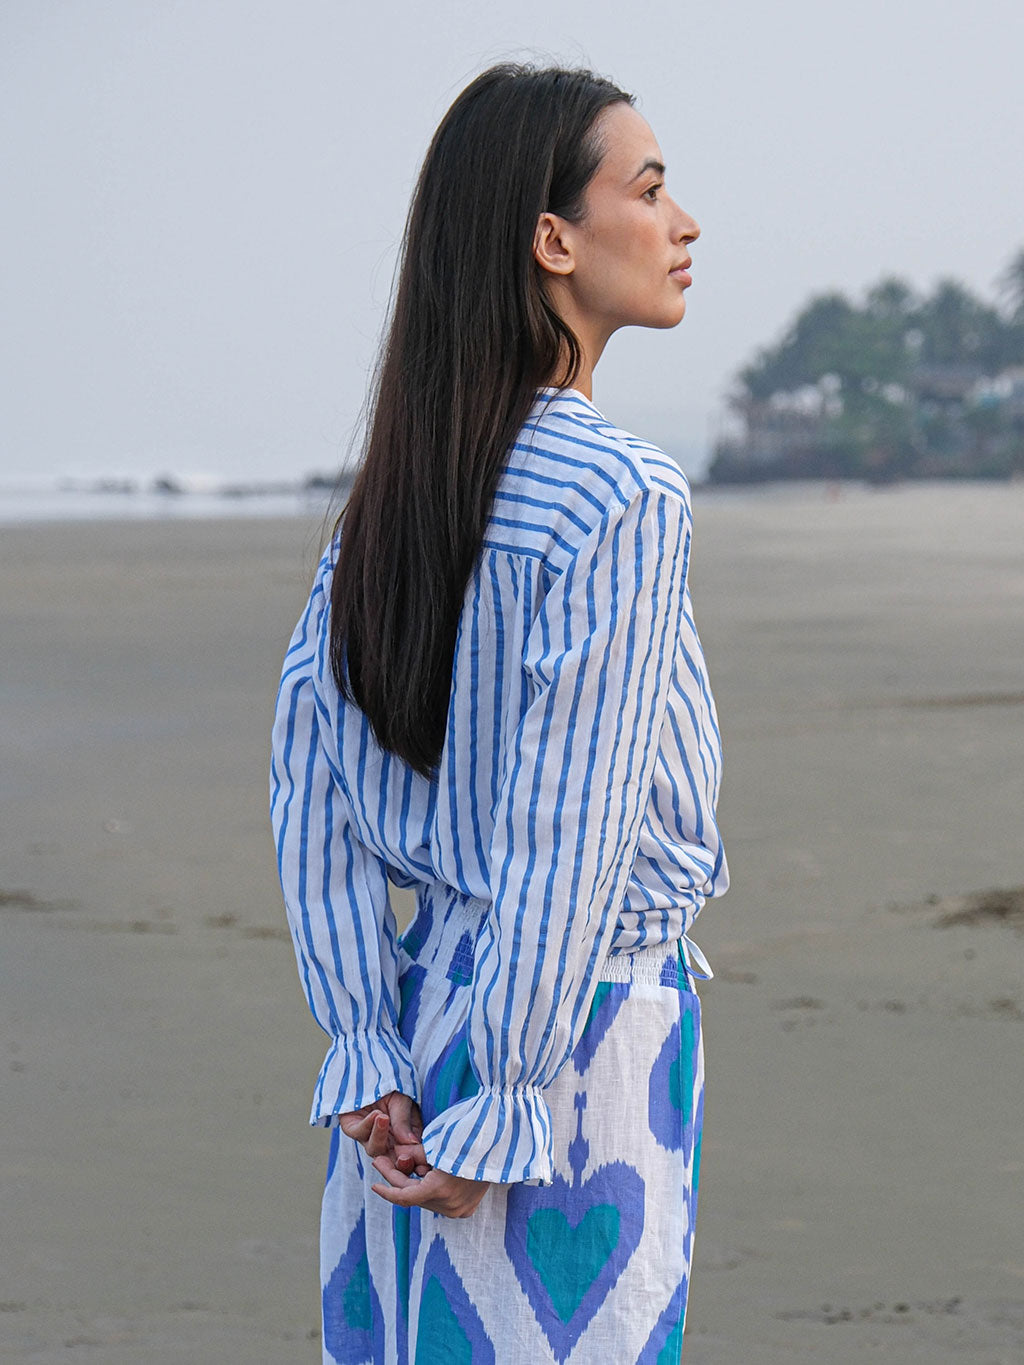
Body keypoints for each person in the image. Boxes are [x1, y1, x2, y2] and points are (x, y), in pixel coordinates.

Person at [270, 62, 728, 1365]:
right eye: (648, 189)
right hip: (572, 1040)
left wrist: (366, 1039)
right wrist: (502, 1099)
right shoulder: (622, 498)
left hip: (412, 1033)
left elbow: (315, 784)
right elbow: (569, 828)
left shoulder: (398, 489)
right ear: (552, 240)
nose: (684, 222)